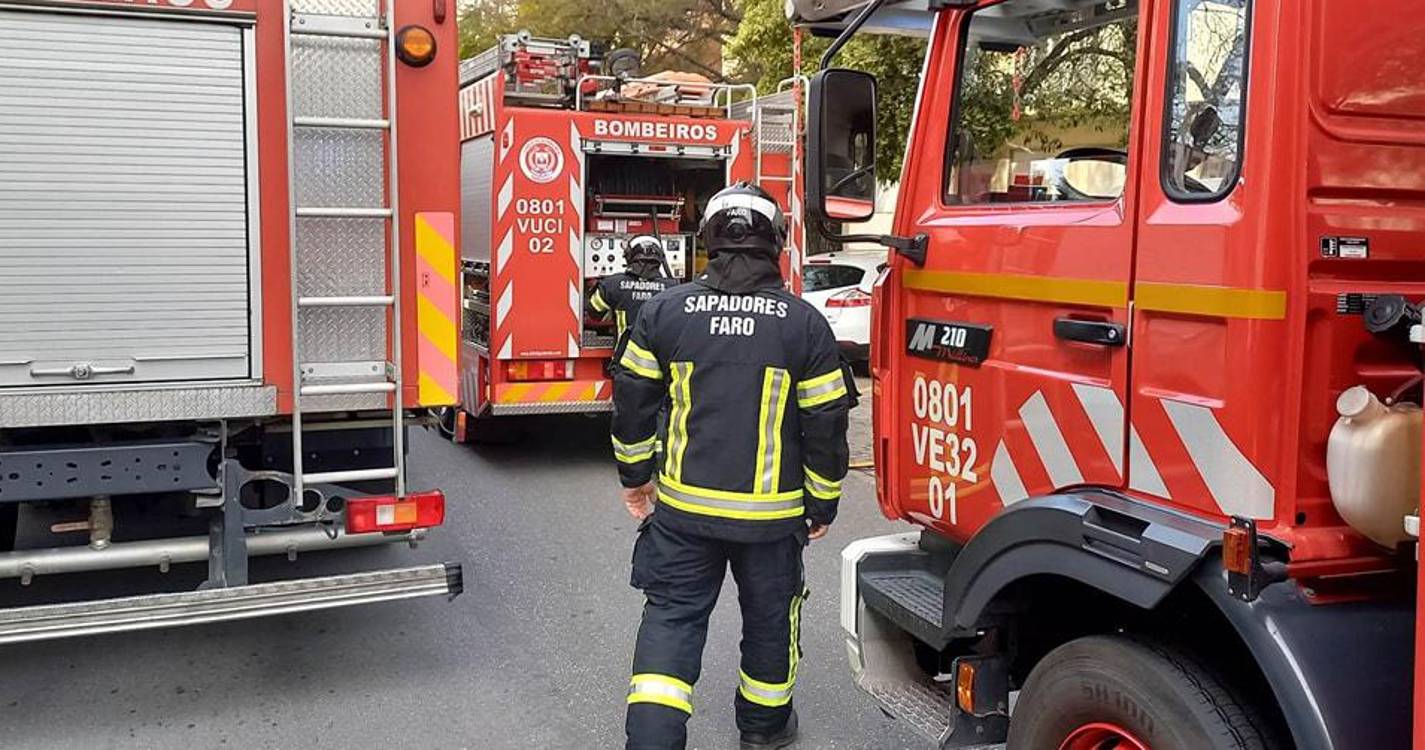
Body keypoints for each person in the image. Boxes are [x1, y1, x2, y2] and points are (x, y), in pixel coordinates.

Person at [610, 183, 853, 750]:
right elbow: (826, 425)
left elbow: (632, 401)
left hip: (682, 514)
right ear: (775, 241)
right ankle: (764, 731)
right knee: (770, 624)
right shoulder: (804, 324)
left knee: (670, 623)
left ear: (710, 239)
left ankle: (651, 741)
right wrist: (823, 503)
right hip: (771, 524)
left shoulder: (664, 312)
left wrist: (635, 477)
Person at [589, 235, 679, 363]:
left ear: (629, 256)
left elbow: (594, 313)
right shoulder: (673, 288)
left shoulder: (611, 285)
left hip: (625, 365)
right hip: (661, 364)